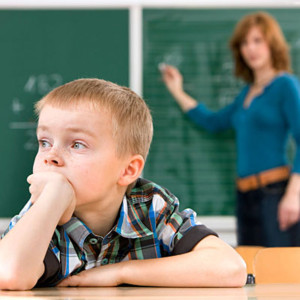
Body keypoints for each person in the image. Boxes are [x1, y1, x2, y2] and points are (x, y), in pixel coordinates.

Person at [0, 78, 246, 290]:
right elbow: (9, 274)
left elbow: (230, 267)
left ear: (128, 170)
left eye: (77, 144)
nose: (49, 156)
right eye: (44, 142)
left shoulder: (150, 205)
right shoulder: (40, 216)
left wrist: (120, 272)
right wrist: (54, 196)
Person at [161, 11, 300, 247]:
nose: (250, 49)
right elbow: (213, 122)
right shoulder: (247, 93)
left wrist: (294, 195)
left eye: (257, 41)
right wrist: (177, 90)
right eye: (244, 43)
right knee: (250, 270)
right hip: (245, 196)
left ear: (272, 44)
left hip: (274, 194)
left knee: (279, 272)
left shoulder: (285, 85)